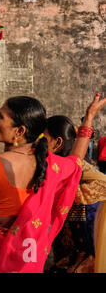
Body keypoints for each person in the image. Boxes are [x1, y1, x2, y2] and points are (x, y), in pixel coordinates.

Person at [0, 94, 106, 273]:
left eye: (0, 116)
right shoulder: (50, 166)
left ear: (20, 131)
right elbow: (76, 162)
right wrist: (89, 117)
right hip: (25, 264)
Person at [44, 115, 106, 273]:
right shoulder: (52, 166)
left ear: (58, 143)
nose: (39, 144)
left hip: (83, 251)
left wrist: (74, 193)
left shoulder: (80, 170)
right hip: (64, 250)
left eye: (44, 139)